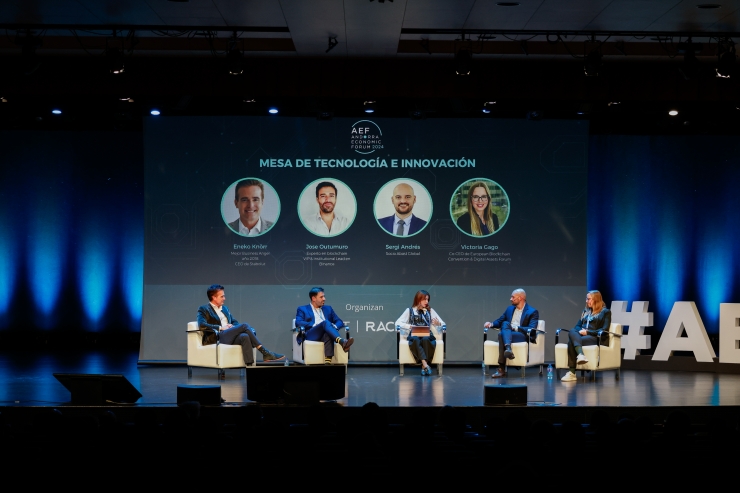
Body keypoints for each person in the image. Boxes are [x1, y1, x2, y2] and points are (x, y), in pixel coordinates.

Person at [197, 284, 284, 367]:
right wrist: (221, 328)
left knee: (244, 336)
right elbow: (202, 325)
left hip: (228, 336)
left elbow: (234, 321)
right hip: (217, 337)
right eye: (222, 296)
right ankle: (265, 352)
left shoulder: (225, 309)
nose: (224, 298)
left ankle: (249, 367)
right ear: (214, 297)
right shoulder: (204, 309)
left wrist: (233, 327)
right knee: (244, 325)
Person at [484, 289, 539, 378]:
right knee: (505, 324)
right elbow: (500, 321)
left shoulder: (532, 311)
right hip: (508, 333)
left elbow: (532, 329)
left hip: (521, 335)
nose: (510, 299)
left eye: (513, 297)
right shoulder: (509, 309)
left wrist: (515, 327)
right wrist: (491, 324)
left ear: (520, 298)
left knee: (502, 333)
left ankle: (501, 369)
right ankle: (508, 349)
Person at [560, 290, 612, 382]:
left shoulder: (605, 312)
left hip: (596, 338)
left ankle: (572, 372)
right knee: (572, 330)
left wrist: (588, 332)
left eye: (588, 299)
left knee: (571, 342)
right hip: (583, 336)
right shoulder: (585, 312)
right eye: (586, 299)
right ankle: (580, 354)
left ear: (595, 299)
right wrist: (580, 331)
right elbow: (577, 326)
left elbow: (604, 330)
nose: (586, 301)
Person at [295, 286, 354, 364]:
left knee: (327, 332)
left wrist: (334, 327)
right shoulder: (303, 309)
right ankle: (342, 341)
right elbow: (298, 322)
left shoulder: (328, 308)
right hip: (311, 334)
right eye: (321, 297)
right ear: (314, 298)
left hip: (325, 334)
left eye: (324, 296)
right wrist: (314, 324)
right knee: (325, 322)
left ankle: (327, 363)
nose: (324, 299)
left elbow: (339, 321)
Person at [395, 290, 445, 376]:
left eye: (428, 299)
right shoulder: (409, 311)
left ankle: (423, 366)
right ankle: (425, 364)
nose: (427, 302)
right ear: (418, 299)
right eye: (424, 299)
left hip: (427, 335)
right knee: (415, 339)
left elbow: (442, 323)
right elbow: (397, 323)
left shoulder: (430, 311)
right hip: (414, 335)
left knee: (426, 339)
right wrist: (410, 326)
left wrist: (438, 323)